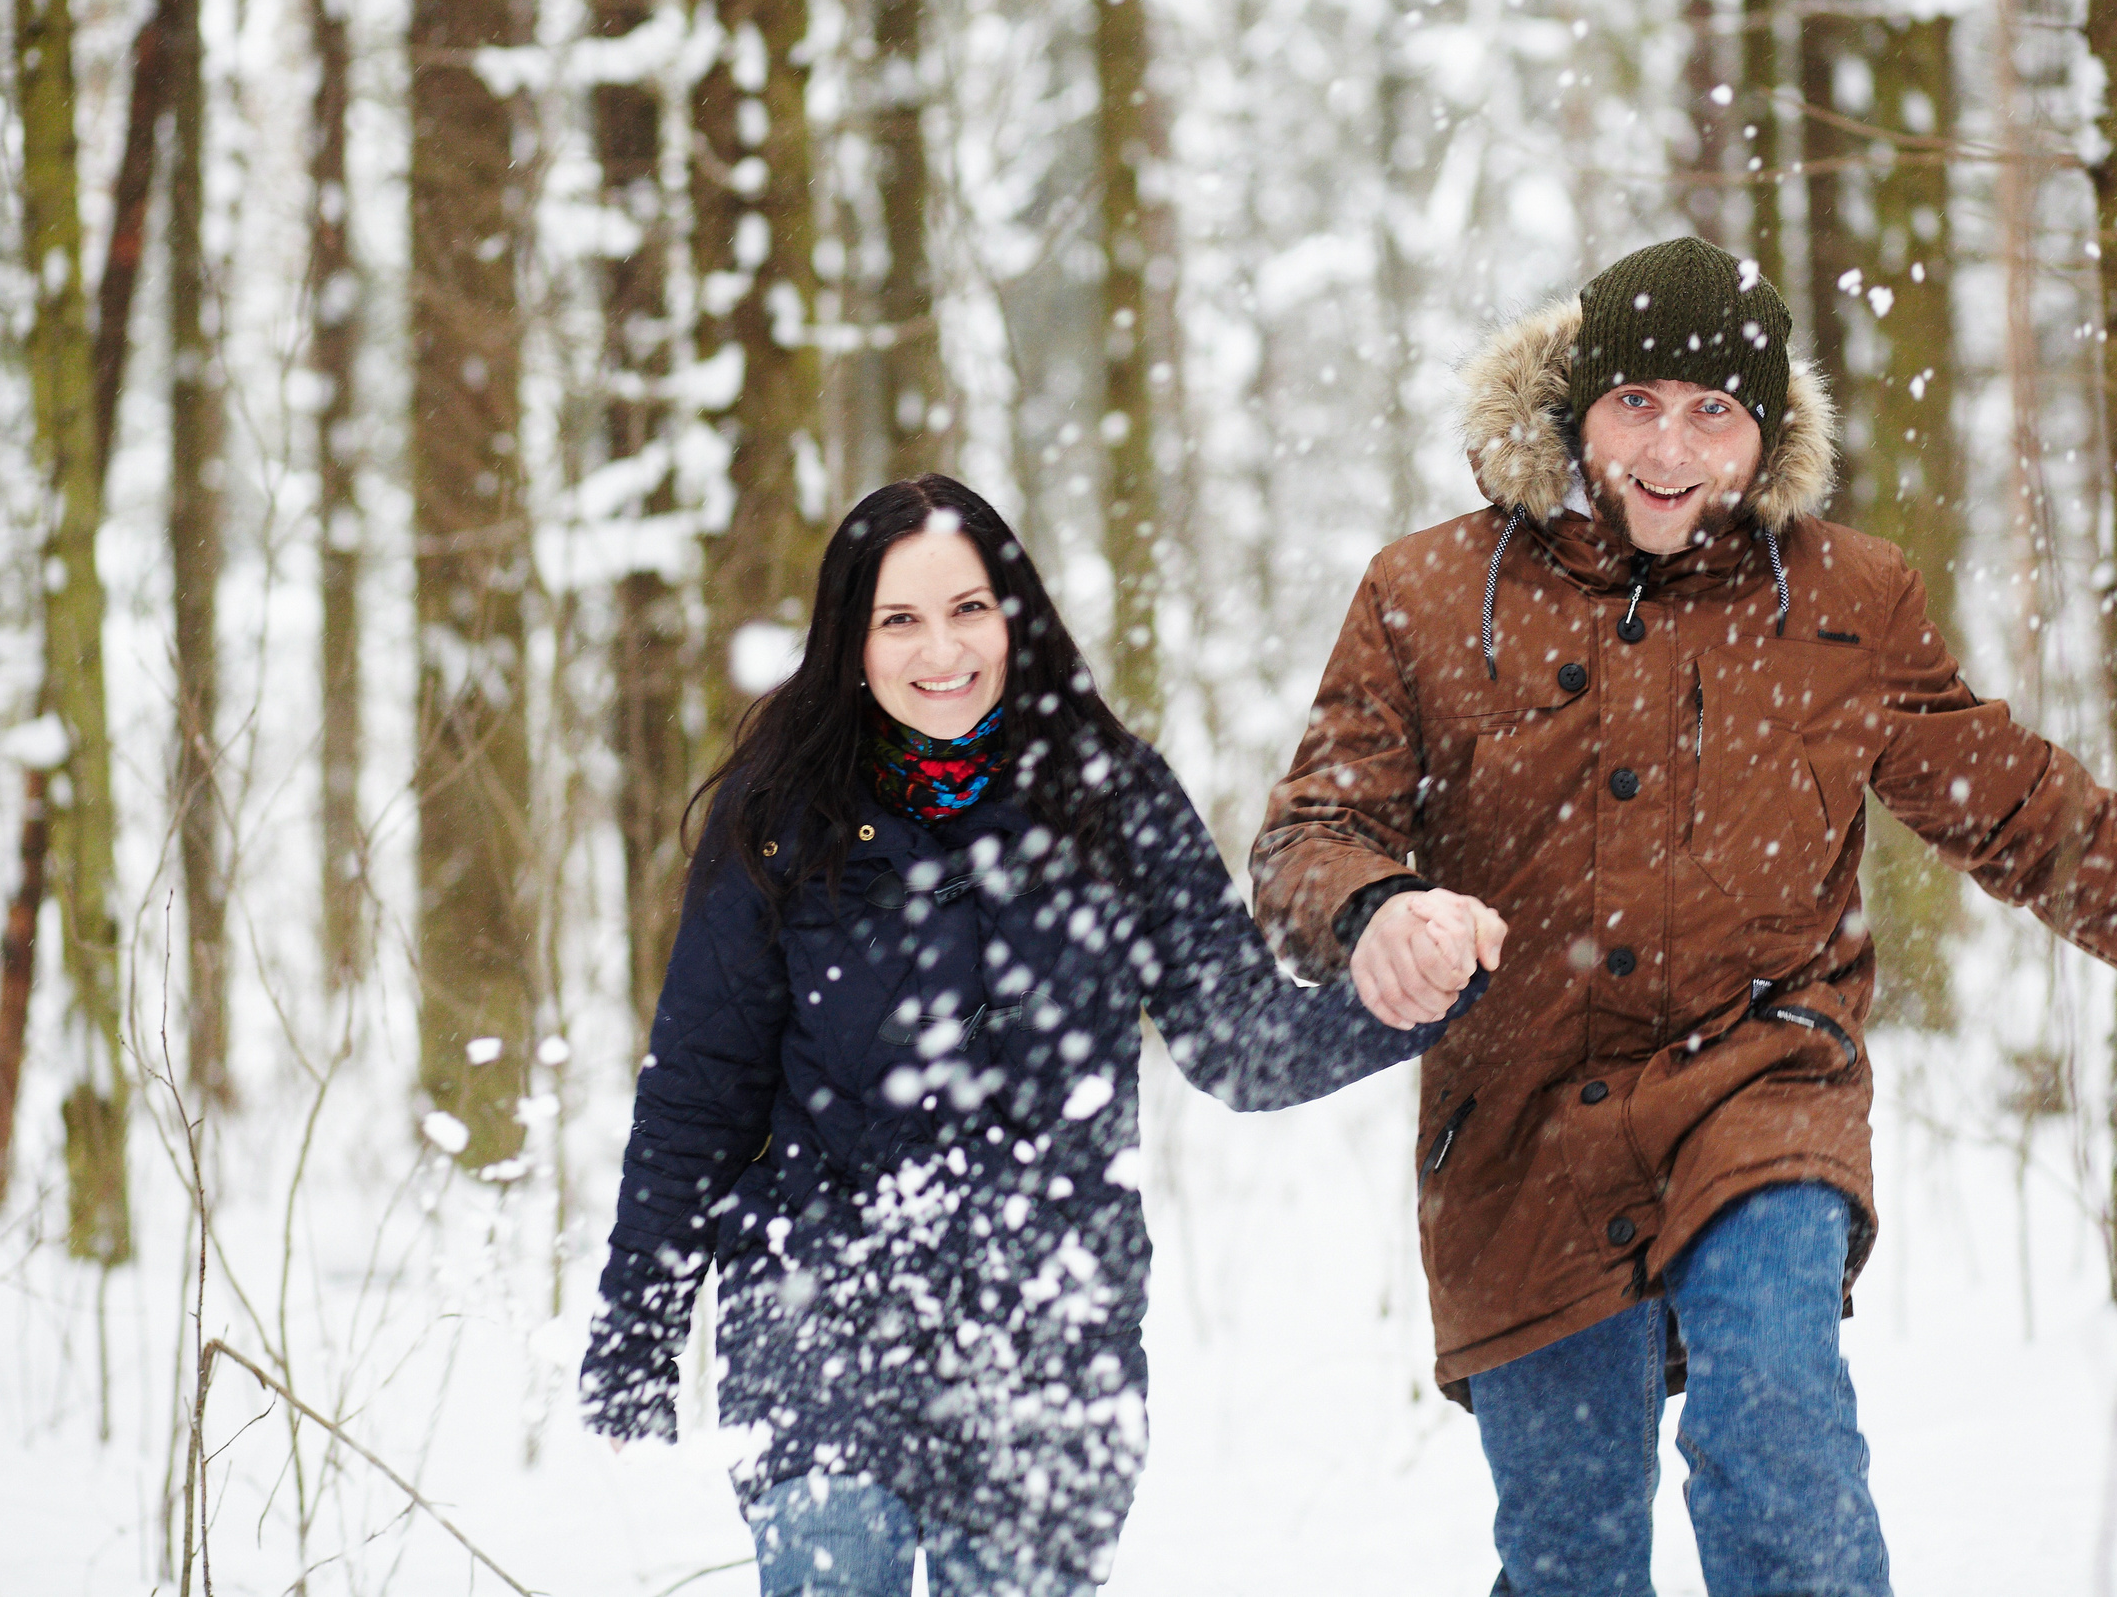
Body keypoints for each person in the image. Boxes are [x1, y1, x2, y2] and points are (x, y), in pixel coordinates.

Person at [1248, 236, 2117, 1596]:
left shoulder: (1845, 604)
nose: (1670, 448)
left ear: (1767, 431)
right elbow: (1310, 833)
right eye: (1638, 403)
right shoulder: (1430, 595)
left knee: (1777, 1432)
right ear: (1576, 404)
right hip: (1520, 1124)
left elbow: (2034, 815)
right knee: (1570, 1549)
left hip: (1760, 1078)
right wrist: (1374, 905)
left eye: (1713, 411)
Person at [577, 474, 1503, 1597]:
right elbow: (699, 1096)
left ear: (1015, 615)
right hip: (820, 1318)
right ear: (850, 642)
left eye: (969, 610)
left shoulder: (1111, 797)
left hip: (1049, 1327)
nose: (942, 652)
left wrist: (1408, 989)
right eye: (900, 621)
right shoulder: (781, 818)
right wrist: (640, 1327)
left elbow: (1239, 1044)